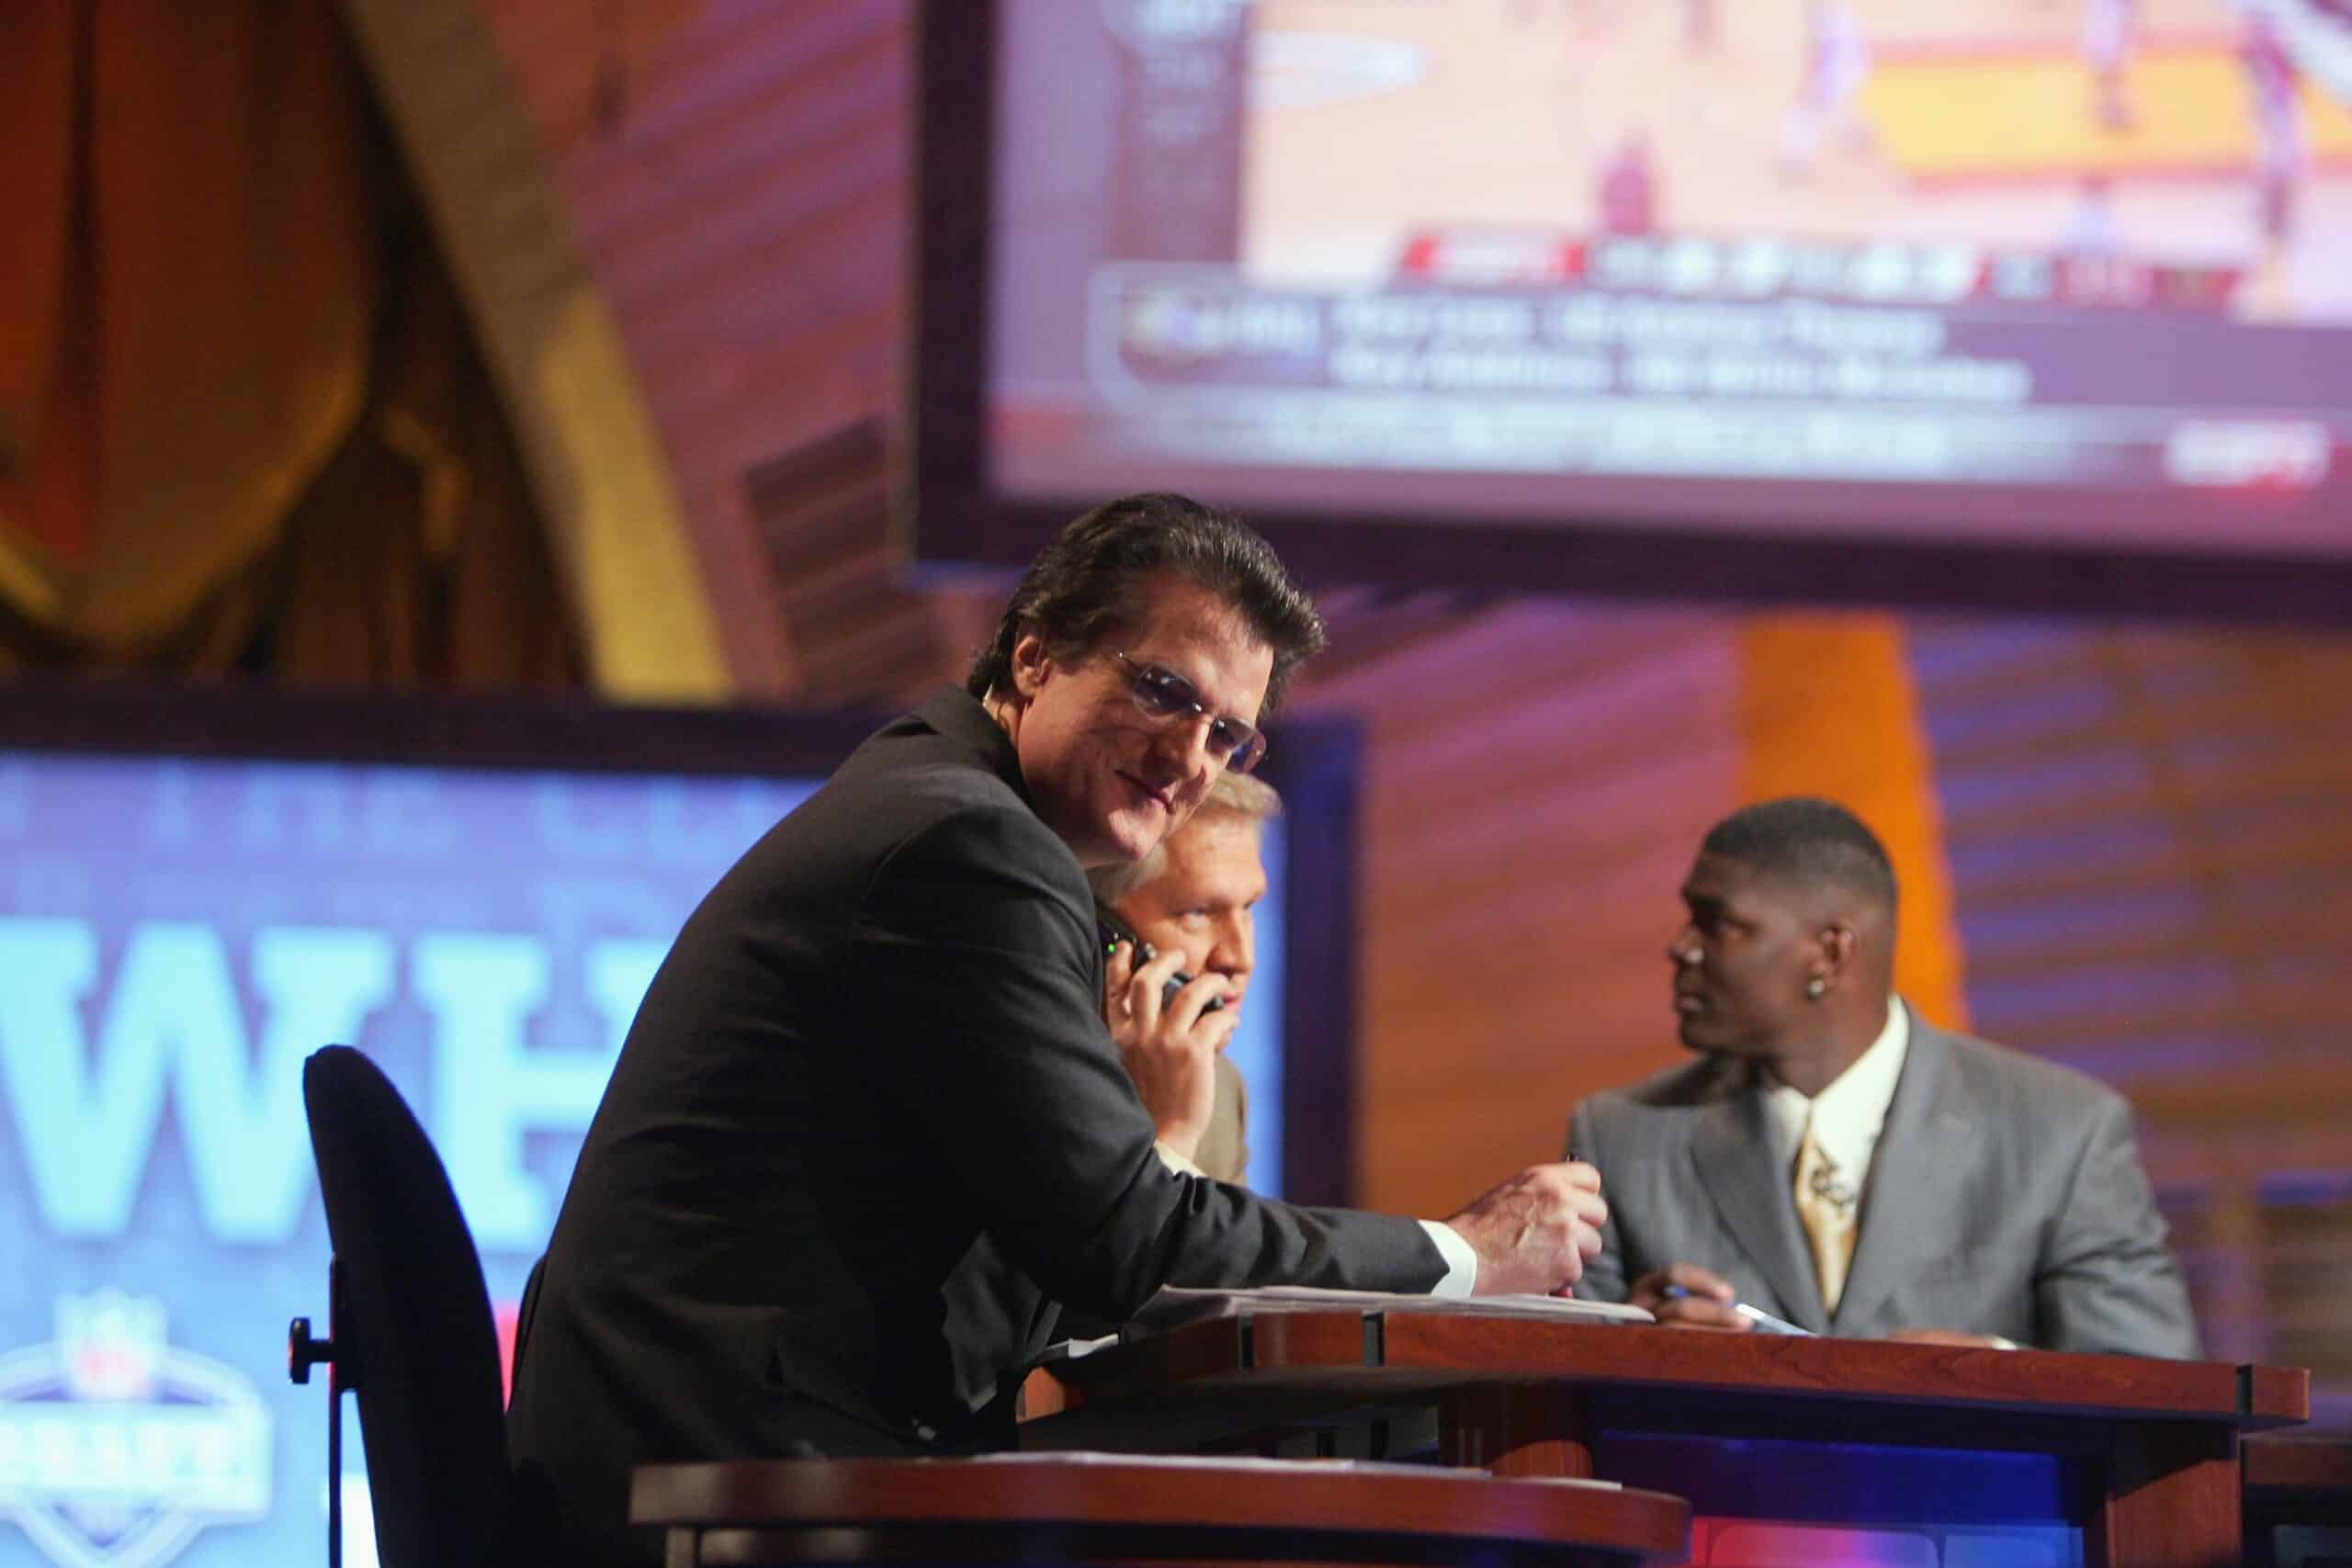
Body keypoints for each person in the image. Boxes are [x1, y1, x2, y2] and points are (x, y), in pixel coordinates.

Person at [508, 492, 1608, 1565]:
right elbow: (1120, 1245)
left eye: (1229, 735)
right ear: (1035, 658)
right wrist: (1463, 1251)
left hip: (706, 1450)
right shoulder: (967, 846)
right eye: (1163, 692)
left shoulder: (934, 795)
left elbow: (1045, 1270)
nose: (1189, 762)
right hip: (727, 1473)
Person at [1566, 797, 2199, 1356]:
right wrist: (1635, 1351)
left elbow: (2153, 1387)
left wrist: (1998, 1370)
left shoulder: (2061, 1132)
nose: (1682, 948)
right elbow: (1559, 1400)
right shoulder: (1622, 1137)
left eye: (1718, 923)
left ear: (1831, 952)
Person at [1091, 767, 1280, 1184]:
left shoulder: (1220, 1086)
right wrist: (1171, 1133)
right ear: (1106, 928)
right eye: (1197, 912)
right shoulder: (1037, 1069)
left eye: (1247, 908)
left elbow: (1227, 1251)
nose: (1240, 957)